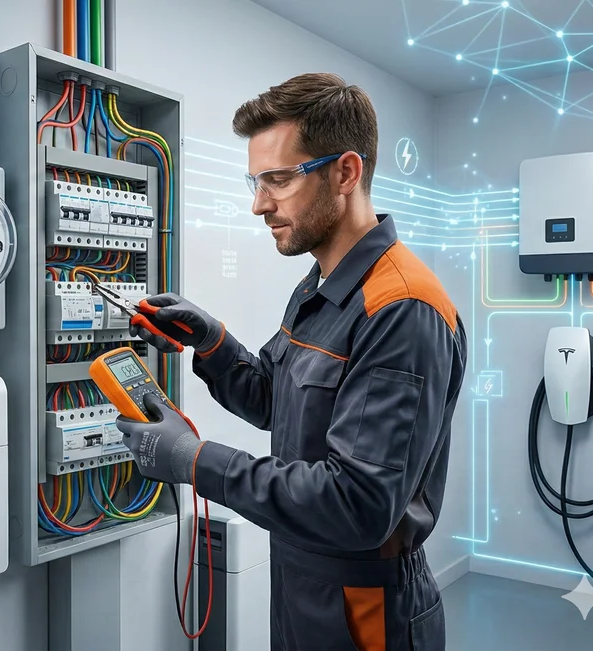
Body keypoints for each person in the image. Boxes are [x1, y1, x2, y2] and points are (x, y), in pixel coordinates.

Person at [114, 73, 466, 651]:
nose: (259, 204)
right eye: (256, 182)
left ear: (345, 173)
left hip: (366, 608)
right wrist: (212, 343)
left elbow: (357, 505)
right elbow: (277, 401)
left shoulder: (402, 308)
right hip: (302, 582)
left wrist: (195, 460)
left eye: (278, 180)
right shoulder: (319, 284)